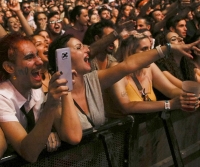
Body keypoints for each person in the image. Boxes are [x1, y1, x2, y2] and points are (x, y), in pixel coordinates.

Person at [48, 31, 200, 130]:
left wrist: (168, 48)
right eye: (79, 47)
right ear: (64, 58)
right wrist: (169, 104)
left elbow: (129, 65)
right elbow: (74, 137)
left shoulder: (93, 79)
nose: (87, 49)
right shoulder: (54, 97)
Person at [0, 34, 82, 162]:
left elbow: (74, 136)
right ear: (10, 67)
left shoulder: (35, 88)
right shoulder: (2, 98)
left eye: (37, 54)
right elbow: (28, 153)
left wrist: (66, 87)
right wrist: (50, 105)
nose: (39, 61)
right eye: (29, 57)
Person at [104, 32, 199, 118]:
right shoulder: (117, 68)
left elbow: (170, 90)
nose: (150, 53)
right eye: (144, 49)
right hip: (121, 133)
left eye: (150, 48)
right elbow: (126, 106)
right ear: (130, 52)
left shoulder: (150, 66)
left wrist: (188, 99)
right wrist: (169, 104)